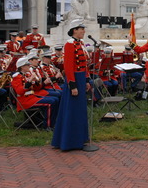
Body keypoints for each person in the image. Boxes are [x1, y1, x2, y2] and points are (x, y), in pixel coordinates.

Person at [52, 20, 91, 150]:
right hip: (74, 79)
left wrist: (86, 80)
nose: (83, 31)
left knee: (80, 110)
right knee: (72, 110)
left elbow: (84, 65)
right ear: (75, 30)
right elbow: (68, 67)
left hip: (81, 78)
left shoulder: (81, 44)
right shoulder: (69, 44)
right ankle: (69, 141)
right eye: (81, 29)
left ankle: (80, 138)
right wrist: (72, 85)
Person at [12, 57, 59, 130]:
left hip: (31, 97)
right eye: (27, 65)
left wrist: (37, 82)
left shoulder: (26, 75)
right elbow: (19, 91)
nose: (29, 66)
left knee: (55, 99)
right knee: (51, 102)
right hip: (24, 101)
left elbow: (36, 88)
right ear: (22, 67)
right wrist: (30, 81)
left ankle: (53, 122)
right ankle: (48, 125)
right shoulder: (17, 77)